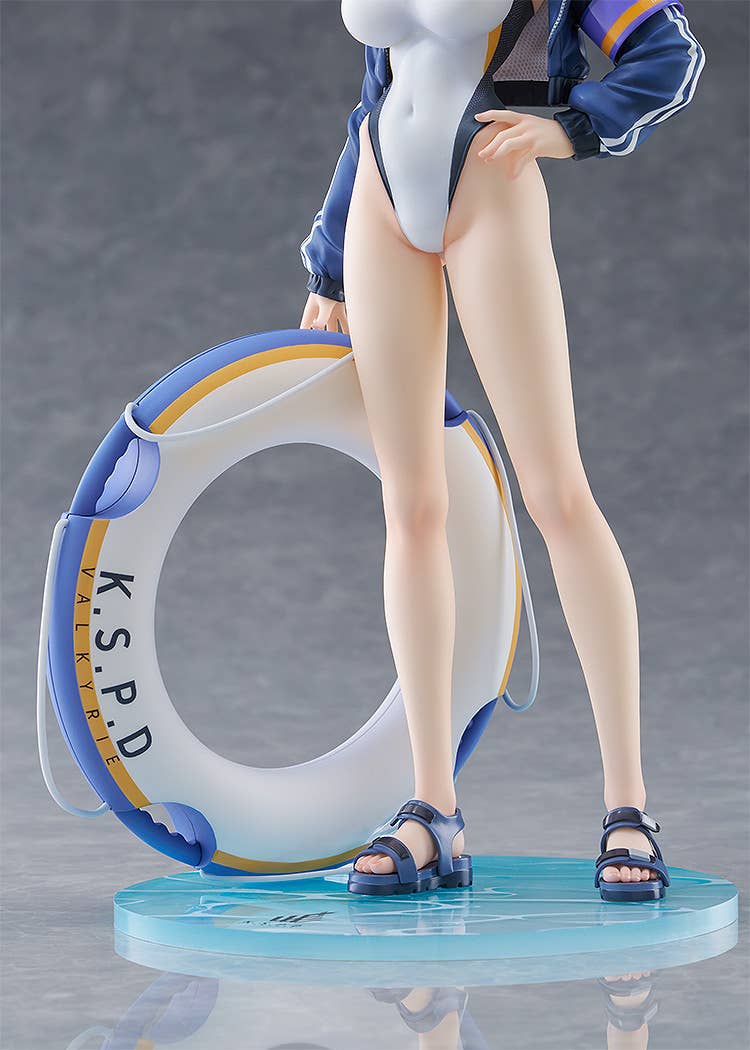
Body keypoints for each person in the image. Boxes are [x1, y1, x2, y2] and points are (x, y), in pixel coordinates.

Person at [299, 0, 704, 900]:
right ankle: (432, 807)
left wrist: (571, 126)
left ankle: (628, 804)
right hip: (380, 201)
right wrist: (330, 258)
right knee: (410, 506)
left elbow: (665, 52)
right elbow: (379, 89)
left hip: (489, 190)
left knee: (557, 495)